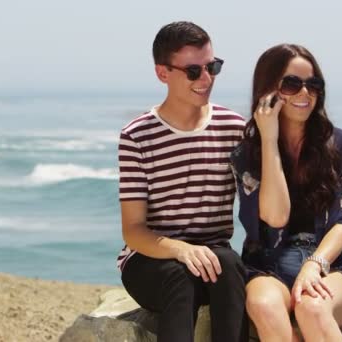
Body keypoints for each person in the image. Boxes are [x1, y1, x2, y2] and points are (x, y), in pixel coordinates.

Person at [117, 21, 248, 342]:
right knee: (180, 276)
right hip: (151, 264)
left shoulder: (234, 128)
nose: (206, 79)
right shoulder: (136, 135)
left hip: (212, 262)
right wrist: (180, 250)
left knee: (230, 263)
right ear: (163, 73)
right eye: (193, 71)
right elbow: (133, 230)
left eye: (212, 67)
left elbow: (263, 205)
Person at [230, 43, 342, 341]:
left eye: (313, 84)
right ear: (268, 89)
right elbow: (275, 217)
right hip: (268, 264)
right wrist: (269, 139)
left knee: (312, 308)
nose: (305, 93)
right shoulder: (247, 153)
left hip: (329, 264)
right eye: (292, 84)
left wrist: (314, 265)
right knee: (264, 305)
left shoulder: (340, 145)